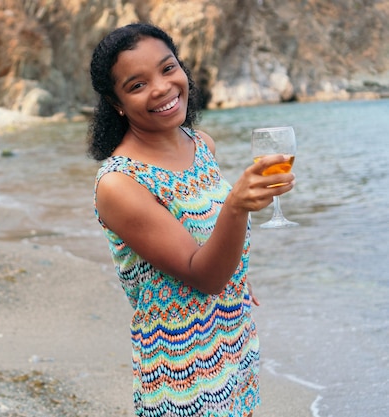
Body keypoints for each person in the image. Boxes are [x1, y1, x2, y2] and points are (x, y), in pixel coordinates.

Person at [88, 23, 295, 417]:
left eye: (168, 68)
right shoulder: (119, 183)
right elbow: (203, 276)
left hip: (234, 340)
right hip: (182, 366)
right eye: (136, 85)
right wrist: (236, 206)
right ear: (116, 103)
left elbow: (208, 242)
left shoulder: (202, 145)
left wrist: (237, 272)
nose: (162, 88)